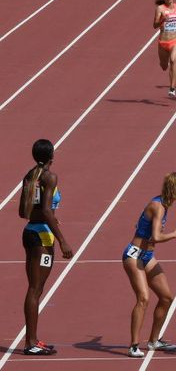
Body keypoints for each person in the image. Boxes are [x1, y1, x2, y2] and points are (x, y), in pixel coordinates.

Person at [122, 172, 176, 358]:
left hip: (147, 255)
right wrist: (174, 234)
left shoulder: (164, 205)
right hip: (133, 255)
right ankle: (134, 345)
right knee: (143, 298)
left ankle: (153, 340)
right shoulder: (158, 206)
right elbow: (156, 237)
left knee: (166, 298)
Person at [19, 139, 73, 355]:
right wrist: (62, 240)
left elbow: (24, 212)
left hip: (30, 232)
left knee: (35, 288)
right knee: (35, 289)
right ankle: (30, 343)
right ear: (52, 155)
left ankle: (33, 341)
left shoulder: (29, 176)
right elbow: (48, 210)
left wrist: (48, 218)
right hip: (42, 237)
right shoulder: (50, 177)